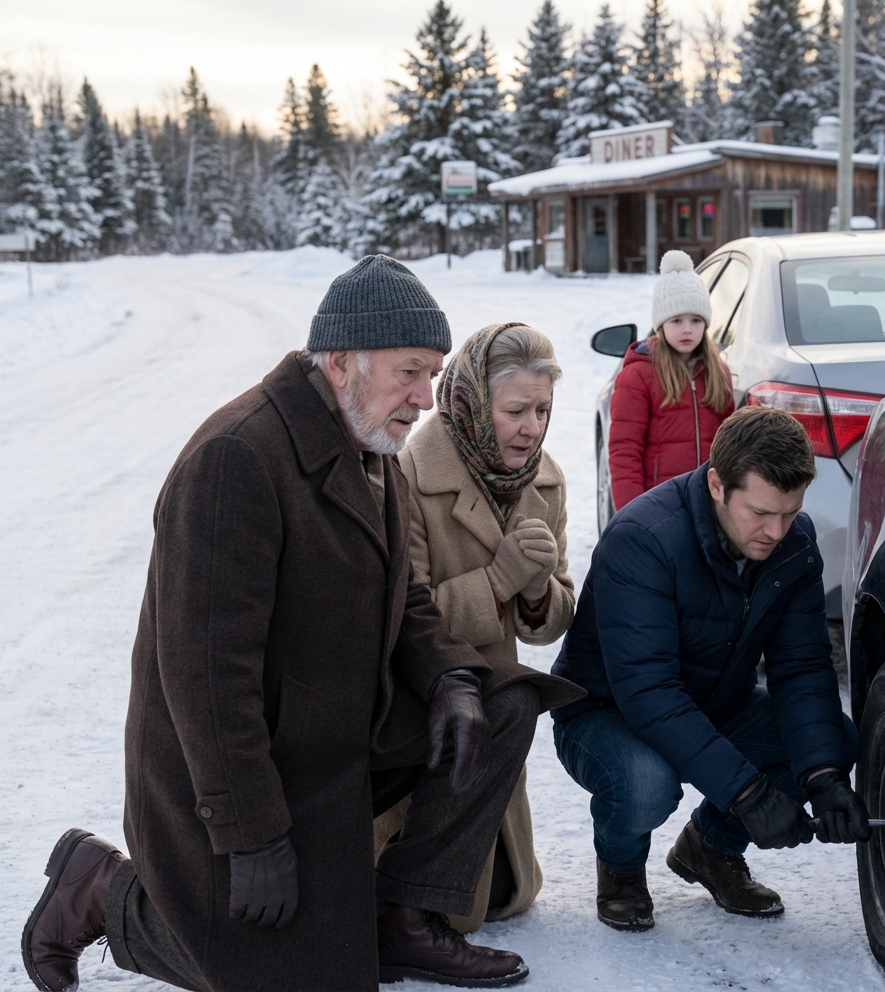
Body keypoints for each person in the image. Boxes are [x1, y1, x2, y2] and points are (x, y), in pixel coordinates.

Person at [21, 255, 582, 992]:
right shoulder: (237, 459)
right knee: (301, 970)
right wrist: (250, 833)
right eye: (410, 372)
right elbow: (205, 677)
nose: (426, 397)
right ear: (344, 361)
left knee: (501, 699)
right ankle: (100, 886)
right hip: (243, 766)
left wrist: (448, 675)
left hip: (343, 729)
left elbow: (403, 595)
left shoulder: (369, 444)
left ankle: (404, 917)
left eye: (434, 374)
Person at [551, 405, 870, 932]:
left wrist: (822, 776)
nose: (776, 530)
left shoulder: (794, 544)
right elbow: (649, 692)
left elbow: (803, 667)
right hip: (607, 714)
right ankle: (622, 870)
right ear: (718, 484)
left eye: (790, 513)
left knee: (833, 739)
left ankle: (710, 850)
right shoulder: (644, 539)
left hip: (716, 702)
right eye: (761, 513)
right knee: (646, 783)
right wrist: (748, 793)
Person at [396, 321, 574, 932]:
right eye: (516, 410)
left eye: (543, 410)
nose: (532, 428)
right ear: (473, 402)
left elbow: (551, 621)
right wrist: (497, 582)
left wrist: (533, 590)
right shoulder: (409, 474)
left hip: (493, 705)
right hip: (421, 705)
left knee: (502, 892)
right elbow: (399, 618)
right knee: (452, 907)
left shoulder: (544, 480)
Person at [608, 250, 734, 511]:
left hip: (709, 506)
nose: (687, 329)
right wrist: (632, 515)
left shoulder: (718, 372)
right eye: (677, 320)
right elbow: (624, 452)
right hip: (659, 506)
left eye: (696, 320)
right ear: (661, 324)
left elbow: (729, 443)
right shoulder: (639, 375)